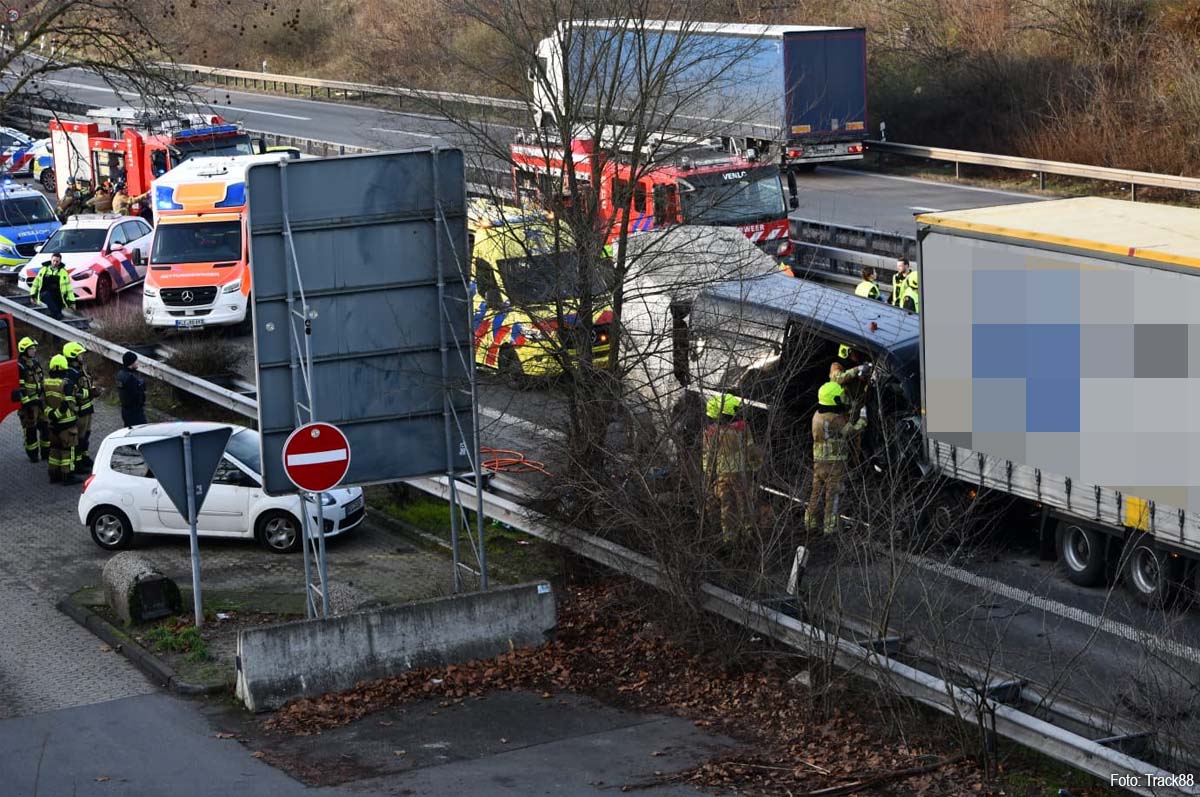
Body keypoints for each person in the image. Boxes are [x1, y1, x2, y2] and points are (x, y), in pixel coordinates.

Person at [805, 380, 868, 536]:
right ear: (833, 400)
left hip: (819, 462)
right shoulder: (834, 419)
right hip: (834, 464)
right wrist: (863, 418)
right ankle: (830, 528)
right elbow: (851, 432)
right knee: (832, 495)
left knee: (816, 492)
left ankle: (809, 522)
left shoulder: (817, 415)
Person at [702, 393, 761, 546]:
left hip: (722, 475)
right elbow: (751, 450)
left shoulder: (710, 432)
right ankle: (748, 536)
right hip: (742, 474)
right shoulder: (742, 428)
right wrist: (756, 468)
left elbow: (708, 458)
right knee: (745, 504)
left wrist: (708, 477)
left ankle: (729, 539)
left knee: (727, 507)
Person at [42, 353, 78, 485]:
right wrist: (58, 414)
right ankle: (67, 476)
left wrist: (51, 415)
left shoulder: (44, 383)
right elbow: (68, 404)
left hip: (52, 424)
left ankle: (53, 475)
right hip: (67, 424)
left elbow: (42, 403)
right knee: (68, 451)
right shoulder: (66, 384)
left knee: (54, 450)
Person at [63, 341, 95, 473]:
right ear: (73, 356)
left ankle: (84, 457)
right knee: (79, 438)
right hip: (80, 411)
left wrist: (93, 389)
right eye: (80, 354)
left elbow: (88, 383)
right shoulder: (70, 373)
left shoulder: (81, 369)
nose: (82, 356)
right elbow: (75, 392)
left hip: (87, 409)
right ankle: (77, 463)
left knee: (86, 435)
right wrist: (90, 393)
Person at [15, 337, 47, 463]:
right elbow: (20, 387)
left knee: (45, 427)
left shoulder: (35, 363)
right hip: (28, 406)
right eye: (31, 349)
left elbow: (42, 380)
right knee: (31, 430)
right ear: (24, 350)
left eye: (34, 348)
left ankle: (46, 453)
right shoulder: (20, 366)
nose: (34, 351)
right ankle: (33, 454)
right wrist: (28, 402)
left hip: (40, 402)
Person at [29, 252, 76, 320]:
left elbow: (69, 289)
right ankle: (57, 315)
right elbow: (36, 283)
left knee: (57, 304)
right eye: (53, 260)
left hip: (57, 296)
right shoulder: (44, 270)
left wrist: (72, 302)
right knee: (47, 295)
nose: (55, 263)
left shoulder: (63, 272)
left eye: (57, 261)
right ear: (51, 260)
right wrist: (32, 295)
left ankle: (57, 320)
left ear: (60, 261)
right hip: (44, 294)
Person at [117, 351, 147, 427]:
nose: (137, 362)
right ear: (131, 363)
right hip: (135, 413)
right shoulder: (131, 378)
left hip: (125, 411)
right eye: (136, 361)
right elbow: (136, 395)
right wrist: (141, 386)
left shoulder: (120, 374)